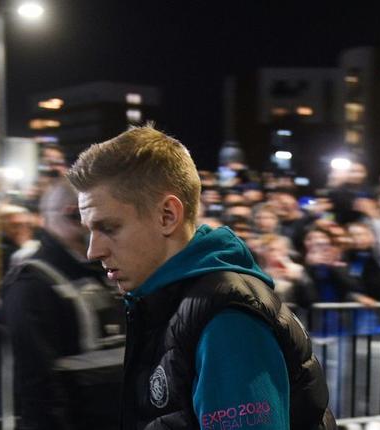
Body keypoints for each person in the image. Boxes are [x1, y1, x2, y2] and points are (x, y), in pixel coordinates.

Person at [66, 125, 335, 429]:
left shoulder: (227, 320)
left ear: (168, 215)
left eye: (109, 228)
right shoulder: (170, 303)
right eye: (89, 230)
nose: (93, 250)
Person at [1, 179, 125, 430]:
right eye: (85, 214)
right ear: (69, 213)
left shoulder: (100, 270)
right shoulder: (33, 282)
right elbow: (36, 385)